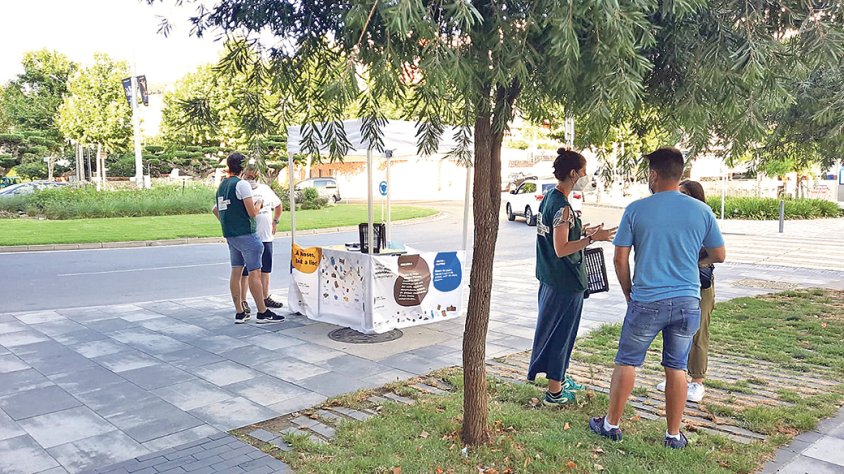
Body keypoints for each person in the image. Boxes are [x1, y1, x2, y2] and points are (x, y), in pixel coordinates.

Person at [589, 147, 725, 449]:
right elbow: (719, 254)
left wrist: (628, 290)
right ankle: (673, 434)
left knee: (627, 361)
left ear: (654, 174)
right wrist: (695, 264)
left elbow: (620, 259)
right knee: (676, 367)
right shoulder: (701, 211)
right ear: (680, 173)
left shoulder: (636, 210)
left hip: (647, 299)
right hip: (688, 301)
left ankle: (611, 425)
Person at [529, 148, 616, 405]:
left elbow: (559, 235)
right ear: (573, 173)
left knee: (556, 331)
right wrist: (592, 238)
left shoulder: (550, 197)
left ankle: (560, 379)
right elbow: (562, 248)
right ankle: (555, 391)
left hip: (550, 278)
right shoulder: (562, 207)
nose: (586, 177)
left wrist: (583, 231)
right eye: (584, 172)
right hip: (564, 282)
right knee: (561, 334)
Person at [656, 180, 715, 402]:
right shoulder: (672, 219)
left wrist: (692, 261)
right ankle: (676, 377)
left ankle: (697, 381)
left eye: (684, 194)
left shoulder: (703, 218)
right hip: (676, 282)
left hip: (698, 284)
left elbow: (716, 252)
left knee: (697, 332)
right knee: (675, 330)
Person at [212, 153, 284, 325]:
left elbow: (217, 210)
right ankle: (262, 311)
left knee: (236, 272)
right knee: (255, 273)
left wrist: (230, 223)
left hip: (231, 235)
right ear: (243, 167)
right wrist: (258, 204)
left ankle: (240, 311)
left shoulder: (223, 185)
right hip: (247, 234)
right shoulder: (241, 184)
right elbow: (252, 212)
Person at [238, 164, 284, 314]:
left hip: (265, 236)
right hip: (249, 236)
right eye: (248, 176)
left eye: (253, 176)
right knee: (246, 271)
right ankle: (243, 300)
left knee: (265, 269)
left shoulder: (265, 189)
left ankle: (265, 297)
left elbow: (278, 205)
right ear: (243, 175)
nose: (251, 179)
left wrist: (275, 221)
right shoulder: (241, 189)